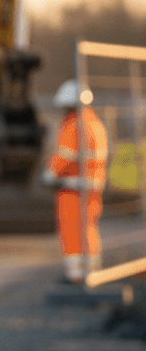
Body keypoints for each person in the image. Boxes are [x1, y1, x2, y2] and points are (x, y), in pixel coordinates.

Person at [41, 80, 108, 282]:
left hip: (73, 188)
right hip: (93, 187)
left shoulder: (73, 124)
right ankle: (92, 271)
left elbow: (64, 156)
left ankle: (76, 275)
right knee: (89, 229)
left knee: (71, 230)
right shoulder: (95, 123)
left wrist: (49, 175)